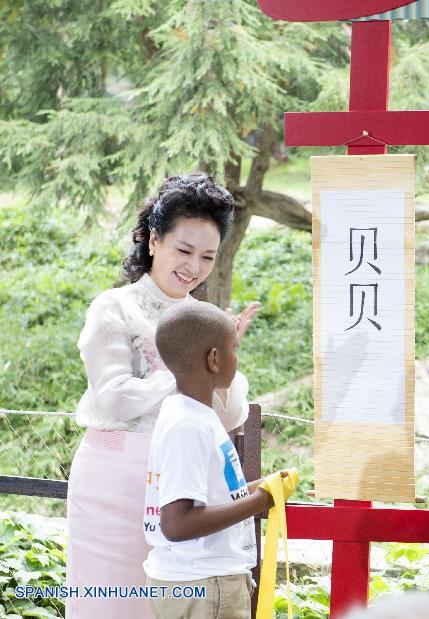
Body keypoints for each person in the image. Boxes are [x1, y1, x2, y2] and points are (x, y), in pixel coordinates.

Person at [66, 173, 260, 619]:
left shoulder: (205, 319)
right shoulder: (115, 307)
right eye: (184, 250)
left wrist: (222, 363)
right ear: (154, 240)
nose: (194, 267)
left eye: (208, 256)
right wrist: (190, 369)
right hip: (113, 484)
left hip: (187, 487)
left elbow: (228, 417)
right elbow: (113, 398)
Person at [144, 301, 294, 619]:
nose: (236, 358)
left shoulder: (194, 415)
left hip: (200, 580)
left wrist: (262, 487)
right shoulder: (189, 425)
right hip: (206, 585)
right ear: (214, 359)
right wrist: (260, 501)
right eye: (233, 348)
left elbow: (212, 494)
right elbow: (177, 522)